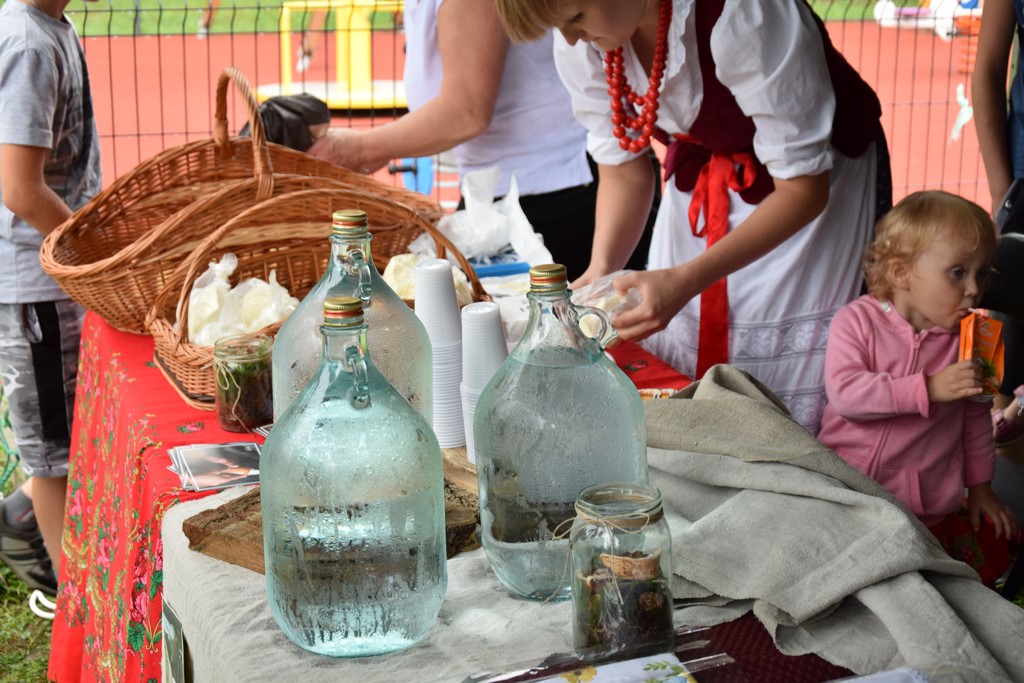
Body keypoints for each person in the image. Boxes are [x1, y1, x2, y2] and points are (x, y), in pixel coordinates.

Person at [493, 0, 891, 433]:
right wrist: (602, 269)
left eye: (574, 19)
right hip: (706, 180)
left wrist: (686, 280)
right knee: (683, 351)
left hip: (801, 199)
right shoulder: (592, 40)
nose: (570, 39)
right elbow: (624, 170)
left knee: (778, 380)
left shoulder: (743, 13)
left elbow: (803, 191)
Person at [307, 0, 655, 280]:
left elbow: (467, 111)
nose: (570, 38)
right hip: (502, 191)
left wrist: (357, 149)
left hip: (560, 192)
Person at [817, 191, 1018, 585]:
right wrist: (927, 388)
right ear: (901, 273)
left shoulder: (981, 340)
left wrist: (980, 489)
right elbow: (846, 394)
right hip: (844, 493)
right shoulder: (855, 321)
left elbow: (978, 424)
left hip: (923, 507)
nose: (974, 289)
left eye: (983, 273)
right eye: (957, 272)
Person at [0, 0, 101, 616]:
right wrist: (87, 250)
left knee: (63, 435)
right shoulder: (31, 45)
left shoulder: (51, 27)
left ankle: (20, 520)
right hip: (38, 286)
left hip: (53, 275)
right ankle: (78, 608)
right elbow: (19, 188)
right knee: (54, 457)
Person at [973, 0, 1024, 453]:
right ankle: (992, 423)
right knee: (1005, 342)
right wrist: (1001, 189)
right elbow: (988, 69)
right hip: (1023, 183)